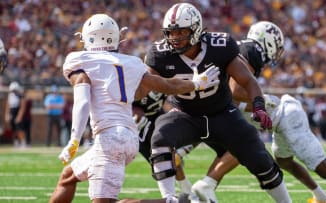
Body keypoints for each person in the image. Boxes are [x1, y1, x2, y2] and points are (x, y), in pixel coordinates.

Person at [49, 13, 219, 203]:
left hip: (109, 140)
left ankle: (175, 202)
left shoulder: (79, 60)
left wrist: (74, 139)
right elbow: (166, 84)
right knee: (68, 177)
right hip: (129, 137)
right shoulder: (131, 62)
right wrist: (196, 83)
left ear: (87, 37)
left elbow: (82, 98)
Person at [192, 21, 326, 203]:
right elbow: (236, 92)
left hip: (285, 115)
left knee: (325, 170)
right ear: (268, 40)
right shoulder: (250, 50)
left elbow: (236, 93)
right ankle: (321, 198)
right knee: (284, 162)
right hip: (279, 116)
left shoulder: (246, 50)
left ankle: (206, 184)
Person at [145, 3, 291, 203]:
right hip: (185, 114)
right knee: (160, 137)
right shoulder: (159, 54)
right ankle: (169, 199)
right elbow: (149, 83)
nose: (175, 37)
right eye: (171, 32)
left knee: (260, 157)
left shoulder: (219, 46)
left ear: (196, 29)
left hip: (222, 113)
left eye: (181, 31)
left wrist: (258, 106)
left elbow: (248, 81)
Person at [4, 81, 27, 148]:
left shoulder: (20, 96)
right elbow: (8, 105)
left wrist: (19, 116)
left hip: (17, 112)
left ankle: (23, 142)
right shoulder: (10, 95)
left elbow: (22, 107)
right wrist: (7, 114)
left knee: (19, 128)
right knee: (13, 129)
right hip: (12, 112)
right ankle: (16, 142)